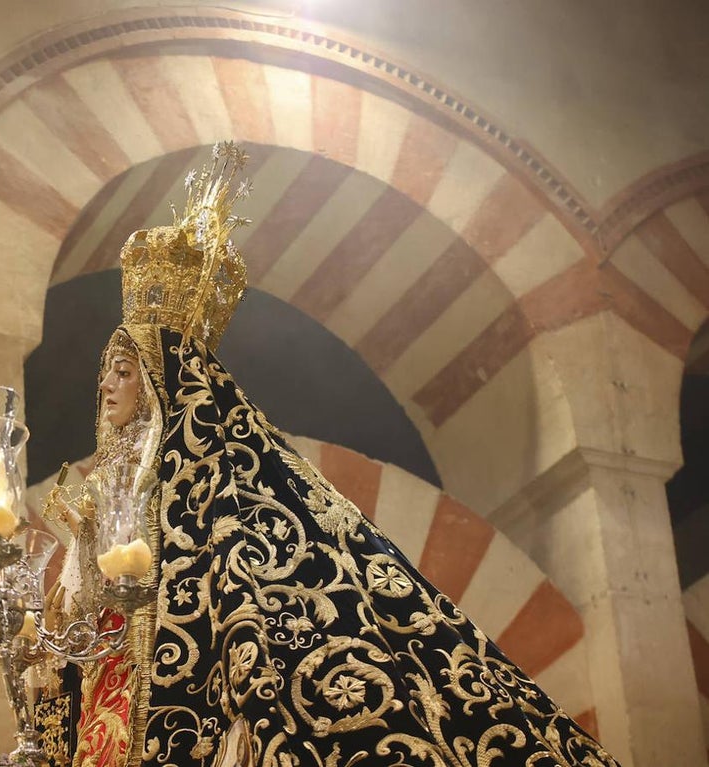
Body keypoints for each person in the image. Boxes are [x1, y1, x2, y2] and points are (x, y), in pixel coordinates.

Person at [43, 143, 620, 767]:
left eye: (123, 371)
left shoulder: (229, 492)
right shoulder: (112, 496)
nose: (104, 386)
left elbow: (254, 620)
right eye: (107, 372)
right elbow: (81, 632)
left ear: (162, 382)